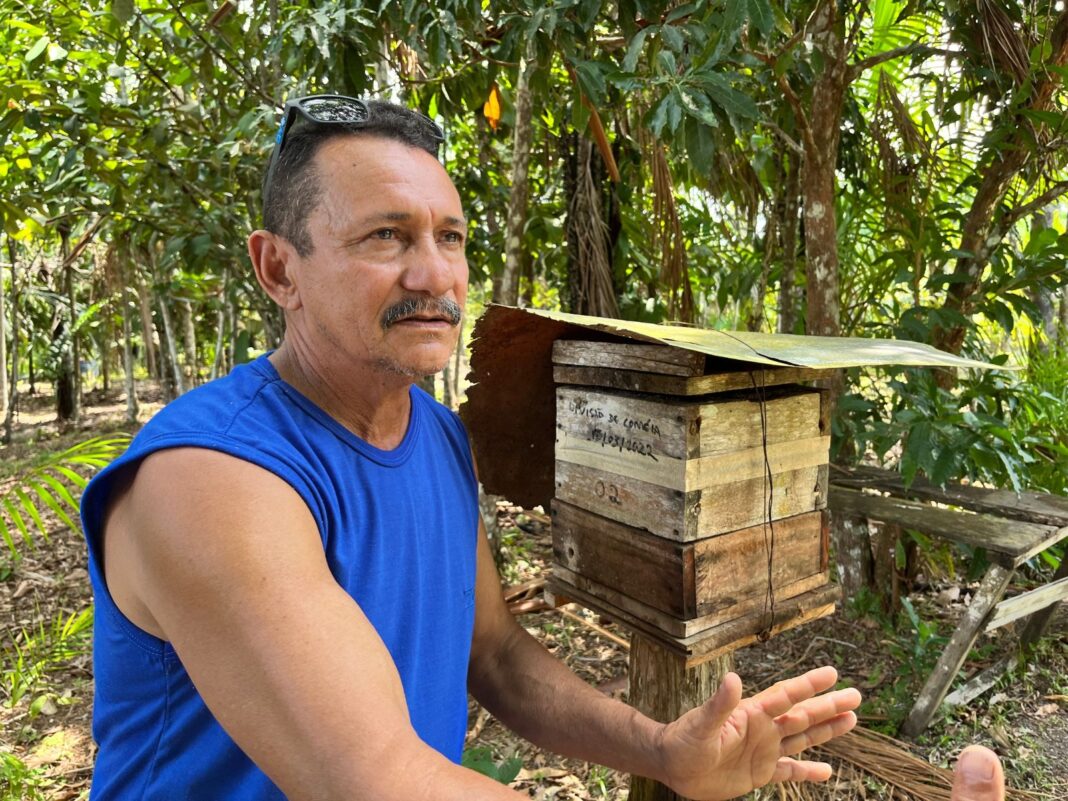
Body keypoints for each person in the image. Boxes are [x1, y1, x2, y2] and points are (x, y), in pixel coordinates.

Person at [76, 96, 993, 801]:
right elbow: (376, 777)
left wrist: (662, 750)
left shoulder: (434, 432)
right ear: (279, 268)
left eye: (450, 237)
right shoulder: (208, 477)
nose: (433, 274)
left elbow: (498, 654)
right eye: (385, 236)